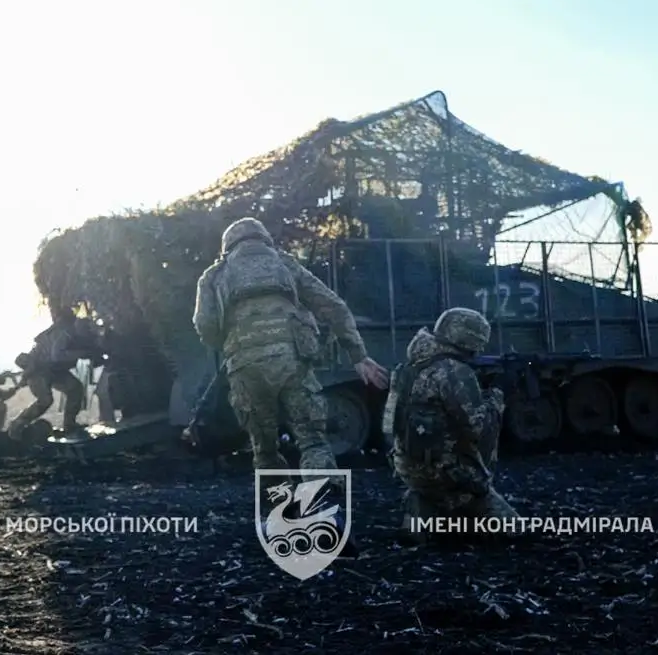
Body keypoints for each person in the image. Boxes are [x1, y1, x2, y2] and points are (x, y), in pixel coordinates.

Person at [192, 216, 390, 474]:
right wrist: (358, 356)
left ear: (227, 246)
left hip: (245, 368)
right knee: (314, 442)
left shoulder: (213, 275)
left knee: (265, 452)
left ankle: (277, 511)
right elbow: (334, 307)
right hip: (292, 363)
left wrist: (231, 345)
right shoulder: (286, 264)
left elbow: (204, 324)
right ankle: (322, 508)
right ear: (264, 239)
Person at [381, 307, 521, 542]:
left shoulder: (405, 369)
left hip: (410, 468)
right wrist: (498, 393)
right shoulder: (455, 372)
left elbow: (388, 425)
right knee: (515, 532)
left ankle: (421, 506)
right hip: (453, 477)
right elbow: (479, 430)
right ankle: (446, 512)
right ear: (468, 338)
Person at [7, 319, 105, 440]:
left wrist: (94, 355)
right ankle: (17, 425)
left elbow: (96, 356)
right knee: (45, 400)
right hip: (39, 369)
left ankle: (70, 425)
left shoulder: (86, 338)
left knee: (75, 388)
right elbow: (57, 355)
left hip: (56, 370)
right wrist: (82, 353)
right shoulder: (66, 334)